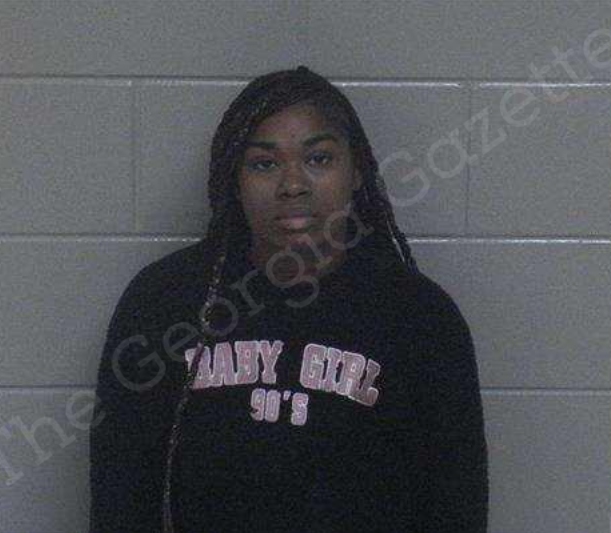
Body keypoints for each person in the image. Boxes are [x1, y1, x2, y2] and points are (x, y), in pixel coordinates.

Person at [89, 65, 489, 533]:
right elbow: (119, 493)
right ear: (234, 180)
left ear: (356, 172)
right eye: (264, 163)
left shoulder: (421, 319)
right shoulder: (164, 301)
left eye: (319, 159)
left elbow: (456, 506)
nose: (293, 184)